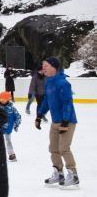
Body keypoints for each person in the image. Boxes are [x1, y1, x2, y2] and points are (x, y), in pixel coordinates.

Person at [36, 57, 79, 189]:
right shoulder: (49, 82)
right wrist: (39, 115)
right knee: (53, 149)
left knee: (63, 149)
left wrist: (65, 121)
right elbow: (47, 101)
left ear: (54, 67)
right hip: (55, 121)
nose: (43, 68)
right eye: (43, 65)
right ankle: (58, 173)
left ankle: (74, 176)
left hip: (67, 121)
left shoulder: (62, 83)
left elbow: (68, 103)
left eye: (46, 66)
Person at [0, 91, 21, 162]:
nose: (2, 100)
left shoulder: (12, 109)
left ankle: (11, 154)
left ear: (8, 99)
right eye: (1, 99)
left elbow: (18, 117)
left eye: (4, 99)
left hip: (8, 128)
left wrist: (16, 125)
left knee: (8, 141)